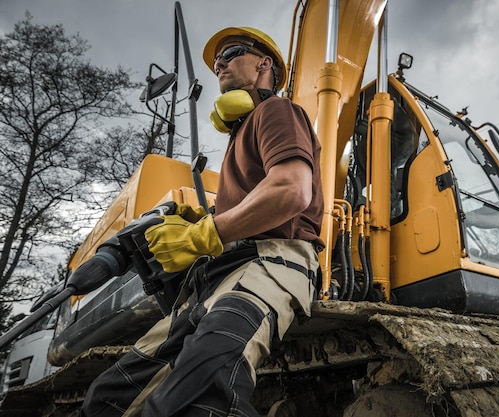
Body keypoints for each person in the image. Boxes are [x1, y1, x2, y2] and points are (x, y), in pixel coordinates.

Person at [80, 26, 324, 417]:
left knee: (199, 392)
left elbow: (291, 190)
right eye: (214, 61)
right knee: (108, 399)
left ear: (264, 63)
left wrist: (205, 233)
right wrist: (206, 217)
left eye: (230, 52)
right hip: (218, 274)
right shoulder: (240, 134)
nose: (219, 63)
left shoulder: (275, 110)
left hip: (272, 262)